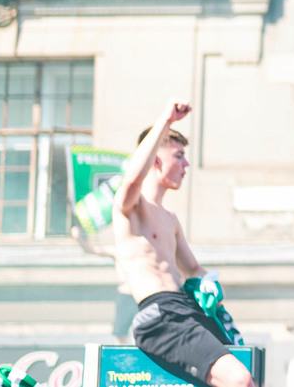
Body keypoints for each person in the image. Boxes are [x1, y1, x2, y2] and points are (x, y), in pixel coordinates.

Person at [113, 100, 254, 387]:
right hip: (161, 315)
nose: (186, 164)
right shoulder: (132, 208)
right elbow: (130, 182)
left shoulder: (170, 220)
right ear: (155, 161)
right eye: (178, 156)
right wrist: (164, 121)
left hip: (185, 309)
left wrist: (208, 284)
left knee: (247, 374)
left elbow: (193, 268)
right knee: (239, 379)